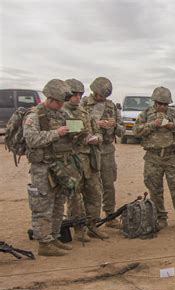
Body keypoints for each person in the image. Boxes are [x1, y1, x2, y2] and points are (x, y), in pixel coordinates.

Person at [23, 79, 81, 256]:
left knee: (58, 204)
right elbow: (31, 139)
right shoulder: (35, 116)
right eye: (59, 102)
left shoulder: (62, 114)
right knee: (43, 206)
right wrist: (57, 133)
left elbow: (73, 132)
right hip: (43, 168)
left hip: (60, 166)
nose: (62, 105)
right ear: (50, 98)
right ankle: (44, 243)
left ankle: (54, 237)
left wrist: (76, 132)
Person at [133, 86, 175, 230]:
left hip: (171, 157)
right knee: (155, 190)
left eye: (165, 104)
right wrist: (152, 125)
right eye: (160, 104)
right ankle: (161, 218)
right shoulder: (145, 114)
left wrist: (172, 126)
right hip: (153, 157)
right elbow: (136, 131)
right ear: (154, 102)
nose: (162, 107)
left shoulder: (174, 114)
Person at [64, 79, 108, 241]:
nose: (77, 97)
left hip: (90, 160)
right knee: (75, 197)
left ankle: (92, 226)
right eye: (73, 94)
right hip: (72, 161)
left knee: (95, 194)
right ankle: (78, 229)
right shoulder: (61, 113)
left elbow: (99, 133)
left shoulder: (84, 113)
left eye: (79, 94)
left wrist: (97, 138)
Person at [81, 77, 125, 228]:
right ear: (94, 91)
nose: (102, 98)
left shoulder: (111, 106)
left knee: (108, 184)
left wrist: (114, 125)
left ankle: (110, 217)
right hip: (88, 150)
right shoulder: (83, 104)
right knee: (89, 186)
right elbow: (75, 125)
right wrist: (96, 124)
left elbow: (122, 130)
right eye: (100, 95)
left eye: (105, 96)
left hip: (106, 150)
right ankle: (89, 220)